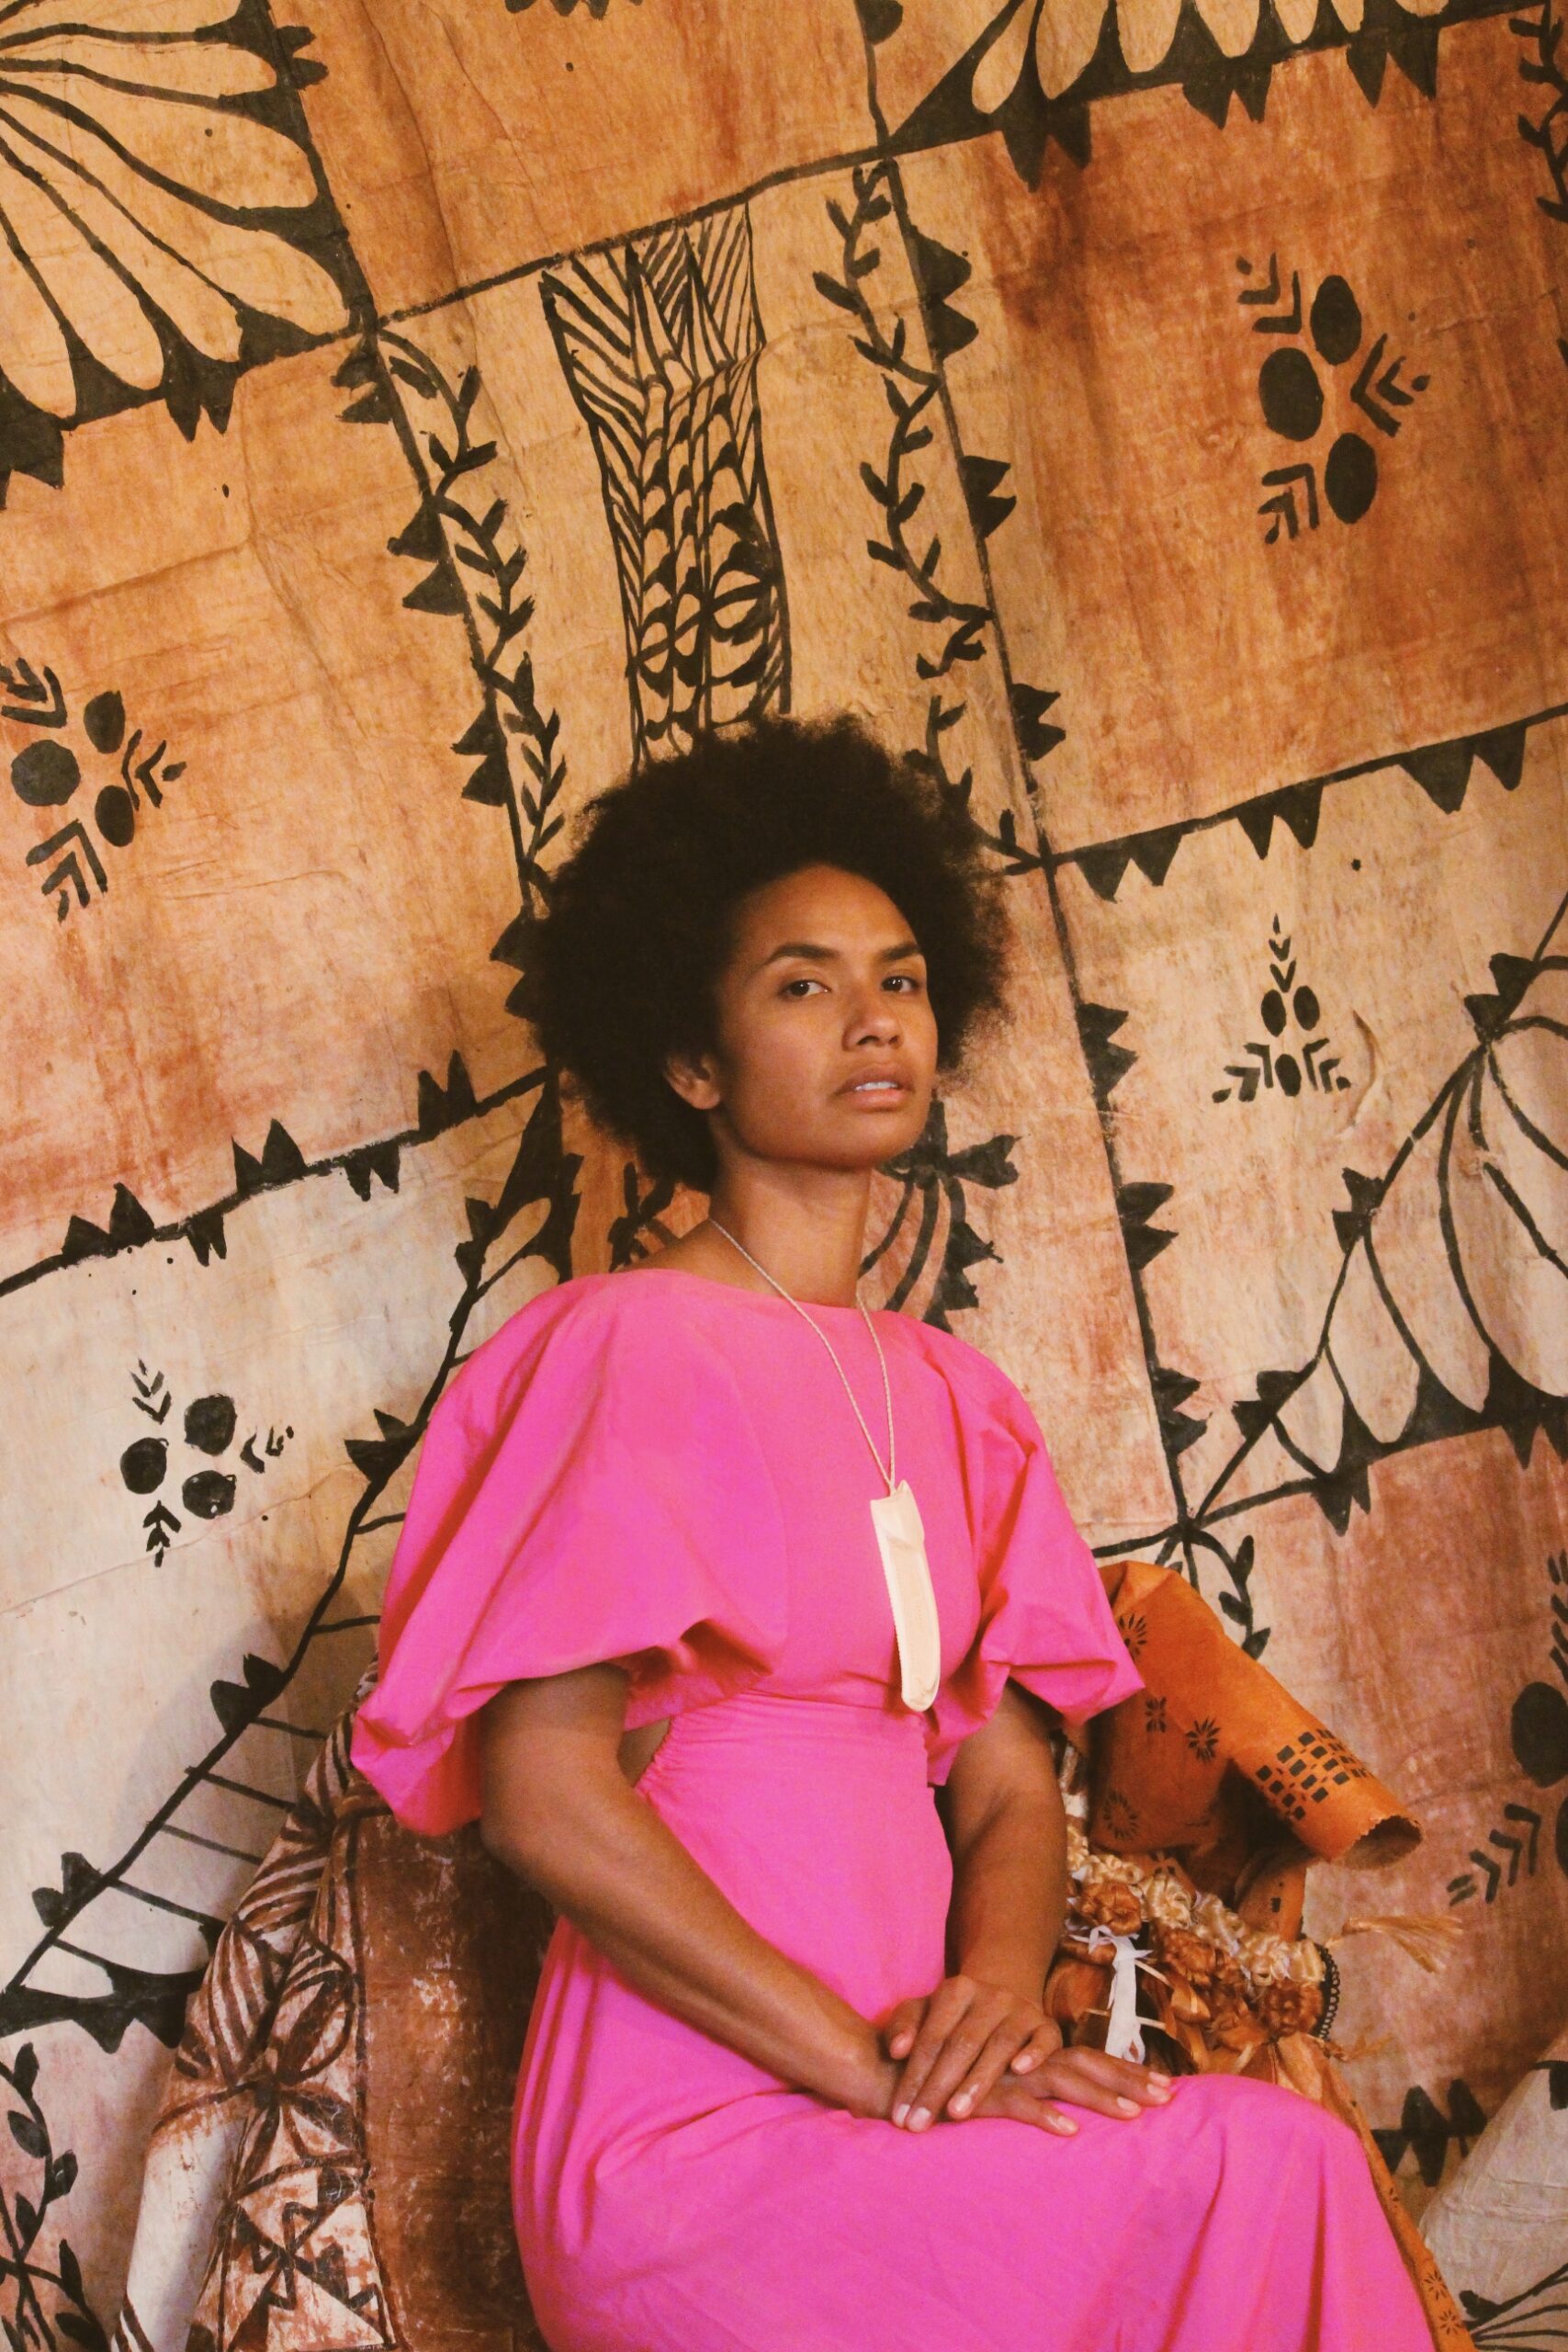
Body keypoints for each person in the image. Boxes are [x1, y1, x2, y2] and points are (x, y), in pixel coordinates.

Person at [350, 712, 1435, 2350]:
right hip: (692, 2135)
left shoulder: (958, 1398)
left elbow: (1008, 1787)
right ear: (691, 1061)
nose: (875, 1020)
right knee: (1250, 2170)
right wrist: (863, 2067)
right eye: (804, 983)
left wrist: (992, 2010)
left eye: (904, 978)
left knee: (1281, 2162)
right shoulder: (625, 1345)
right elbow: (546, 1798)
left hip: (915, 2070)